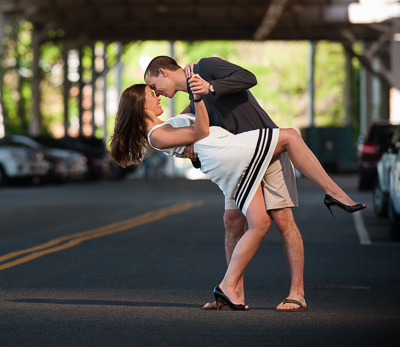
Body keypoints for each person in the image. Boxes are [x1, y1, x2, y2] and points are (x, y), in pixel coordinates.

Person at [110, 82, 365, 310]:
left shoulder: (163, 127)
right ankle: (334, 193)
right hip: (230, 155)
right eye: (151, 94)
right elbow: (200, 130)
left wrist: (200, 83)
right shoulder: (156, 135)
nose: (157, 96)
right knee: (289, 137)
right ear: (141, 106)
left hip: (227, 154)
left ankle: (231, 292)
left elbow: (194, 123)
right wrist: (198, 100)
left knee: (245, 221)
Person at [144, 55, 306, 311]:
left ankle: (297, 293)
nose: (157, 92)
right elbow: (200, 131)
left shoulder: (205, 69)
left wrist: (210, 87)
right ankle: (233, 294)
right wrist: (191, 146)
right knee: (232, 222)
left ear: (163, 72)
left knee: (282, 219)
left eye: (153, 85)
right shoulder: (191, 100)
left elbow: (247, 78)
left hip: (265, 146)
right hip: (237, 161)